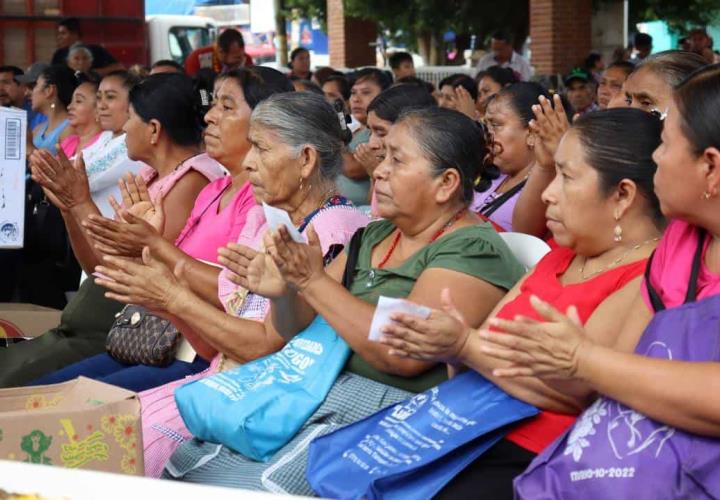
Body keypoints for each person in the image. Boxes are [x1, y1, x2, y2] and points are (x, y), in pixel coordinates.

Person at [162, 106, 525, 493]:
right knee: (188, 470)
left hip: (385, 416)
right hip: (315, 391)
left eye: (397, 160)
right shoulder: (373, 236)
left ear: (447, 183)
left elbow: (401, 355)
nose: (380, 170)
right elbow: (292, 329)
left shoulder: (470, 247)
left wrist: (312, 281)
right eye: (383, 157)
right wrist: (283, 293)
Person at [379, 108, 665, 499]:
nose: (548, 192)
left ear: (622, 195)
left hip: (538, 461)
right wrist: (453, 349)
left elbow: (576, 390)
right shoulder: (561, 256)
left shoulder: (647, 274)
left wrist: (464, 345)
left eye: (566, 177)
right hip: (470, 427)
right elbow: (484, 352)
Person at [96, 92, 370, 477]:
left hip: (252, 407)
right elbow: (216, 350)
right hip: (218, 388)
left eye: (260, 149)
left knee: (105, 452)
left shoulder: (334, 231)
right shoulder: (268, 223)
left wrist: (173, 294)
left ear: (306, 160)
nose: (248, 162)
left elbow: (268, 352)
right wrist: (157, 287)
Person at [481, 64, 720, 500]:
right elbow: (616, 374)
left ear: (711, 166)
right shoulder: (682, 240)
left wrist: (582, 359)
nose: (656, 159)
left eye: (666, 144)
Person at [0, 73, 211, 388]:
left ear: (154, 130)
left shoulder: (193, 180)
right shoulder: (154, 177)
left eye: (131, 118)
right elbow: (99, 269)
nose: (124, 128)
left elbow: (121, 270)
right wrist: (69, 207)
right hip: (110, 324)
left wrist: (79, 201)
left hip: (142, 335)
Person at [512, 50, 706, 238]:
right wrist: (548, 164)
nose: (628, 110)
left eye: (646, 102)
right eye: (629, 99)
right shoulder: (619, 154)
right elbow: (524, 234)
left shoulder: (684, 189)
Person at [471, 82, 555, 231]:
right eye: (486, 125)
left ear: (532, 133)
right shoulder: (494, 174)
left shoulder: (547, 187)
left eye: (495, 125)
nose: (487, 134)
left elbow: (524, 237)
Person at [338, 68, 391, 206]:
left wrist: (333, 137)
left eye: (366, 92)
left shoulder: (385, 136)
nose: (356, 99)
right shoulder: (356, 131)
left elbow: (353, 169)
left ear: (385, 95)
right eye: (353, 93)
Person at [28, 65, 77, 156]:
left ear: (49, 90)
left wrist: (29, 148)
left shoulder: (71, 128)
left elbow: (62, 167)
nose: (27, 93)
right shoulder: (37, 129)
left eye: (35, 85)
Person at [51, 17, 123, 75]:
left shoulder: (96, 50)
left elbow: (119, 67)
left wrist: (95, 73)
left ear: (75, 34)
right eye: (76, 59)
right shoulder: (59, 55)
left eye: (63, 33)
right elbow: (51, 75)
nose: (59, 37)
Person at [59, 73, 103, 158]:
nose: (69, 107)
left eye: (78, 101)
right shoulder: (69, 141)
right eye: (71, 101)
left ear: (98, 110)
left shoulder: (104, 143)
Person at [184, 28, 253, 77]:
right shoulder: (197, 59)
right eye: (237, 57)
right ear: (221, 52)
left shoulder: (246, 59)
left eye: (242, 55)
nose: (241, 60)